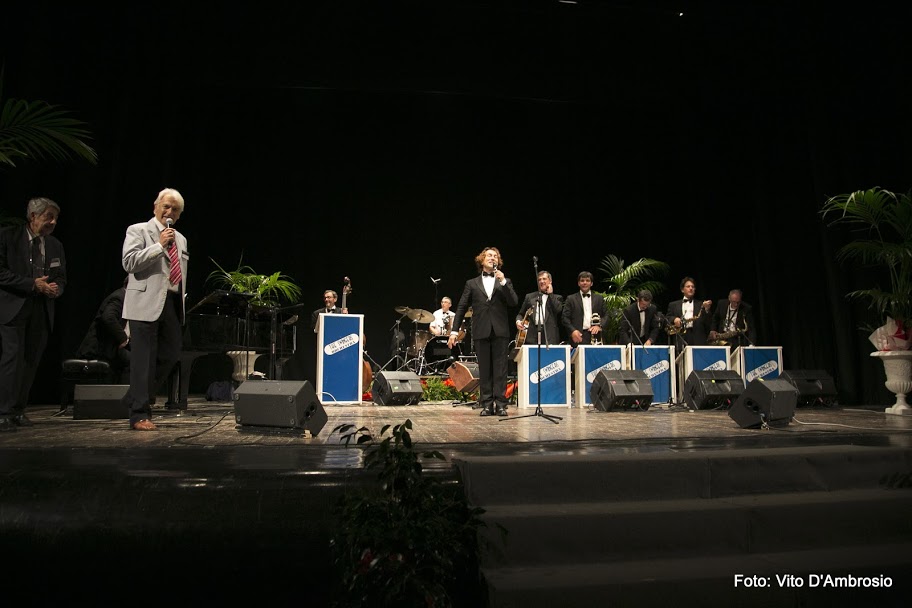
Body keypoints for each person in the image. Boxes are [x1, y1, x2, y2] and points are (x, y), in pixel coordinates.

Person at [121, 188, 188, 431]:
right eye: (166, 206)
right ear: (155, 207)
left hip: (171, 302)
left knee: (171, 355)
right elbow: (129, 262)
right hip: (144, 301)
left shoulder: (181, 239)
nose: (169, 212)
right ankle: (139, 414)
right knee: (143, 360)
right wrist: (159, 246)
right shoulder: (138, 230)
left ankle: (134, 397)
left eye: (175, 210)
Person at [0, 197, 66, 432]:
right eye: (49, 217)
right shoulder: (7, 237)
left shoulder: (55, 245)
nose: (53, 222)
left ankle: (18, 410)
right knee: (12, 360)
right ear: (33, 216)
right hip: (13, 308)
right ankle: (3, 413)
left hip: (41, 309)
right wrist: (32, 284)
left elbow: (61, 277)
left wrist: (56, 289)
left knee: (30, 362)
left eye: (55, 218)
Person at [448, 247, 518, 417]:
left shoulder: (505, 281)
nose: (492, 258)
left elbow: (513, 302)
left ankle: (501, 404)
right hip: (481, 330)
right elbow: (461, 307)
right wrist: (454, 331)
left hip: (500, 330)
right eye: (489, 255)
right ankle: (486, 404)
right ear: (482, 260)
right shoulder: (472, 283)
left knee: (500, 369)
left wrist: (503, 282)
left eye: (495, 256)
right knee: (485, 369)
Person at [75, 278, 130, 383]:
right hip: (99, 350)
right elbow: (108, 317)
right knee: (133, 362)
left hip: (111, 349)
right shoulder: (119, 297)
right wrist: (123, 338)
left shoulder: (125, 298)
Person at [516, 271, 564, 345]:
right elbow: (520, 314)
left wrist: (550, 294)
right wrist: (518, 321)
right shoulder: (529, 297)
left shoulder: (557, 298)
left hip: (549, 336)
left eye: (544, 279)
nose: (541, 281)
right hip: (531, 337)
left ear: (550, 281)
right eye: (539, 279)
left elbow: (558, 310)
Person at [561, 271, 608, 346]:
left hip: (596, 335)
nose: (584, 283)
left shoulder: (599, 298)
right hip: (578, 336)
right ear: (578, 283)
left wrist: (599, 325)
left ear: (591, 283)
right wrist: (573, 331)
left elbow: (607, 315)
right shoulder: (571, 299)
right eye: (582, 281)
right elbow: (565, 318)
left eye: (587, 280)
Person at [666, 276, 712, 350]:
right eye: (688, 286)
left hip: (697, 339)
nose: (691, 288)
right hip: (681, 337)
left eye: (692, 287)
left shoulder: (701, 304)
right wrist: (674, 319)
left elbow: (708, 323)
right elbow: (667, 318)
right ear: (682, 290)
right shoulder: (673, 305)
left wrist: (706, 310)